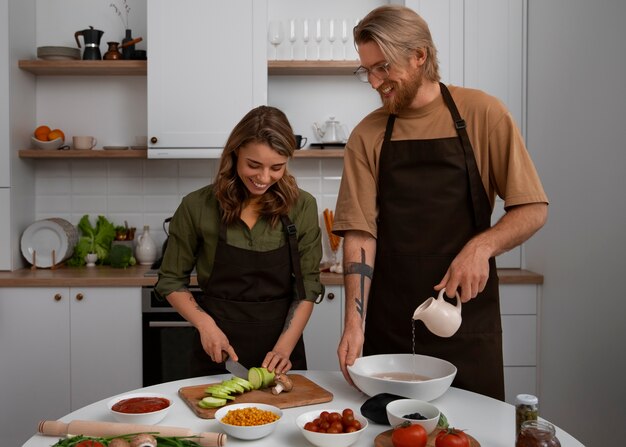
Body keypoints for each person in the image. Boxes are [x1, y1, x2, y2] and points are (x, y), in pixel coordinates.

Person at [333, 5, 548, 400]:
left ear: (420, 56)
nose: (375, 82)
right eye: (367, 70)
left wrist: (481, 247)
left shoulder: (484, 113)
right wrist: (353, 323)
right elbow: (361, 233)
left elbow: (533, 208)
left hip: (467, 323)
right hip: (392, 325)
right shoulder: (368, 134)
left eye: (383, 67)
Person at [155, 105, 324, 376]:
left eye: (277, 167)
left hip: (281, 353)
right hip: (216, 350)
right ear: (234, 155)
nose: (264, 178)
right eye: (253, 165)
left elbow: (308, 287)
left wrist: (283, 349)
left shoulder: (302, 206)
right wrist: (206, 327)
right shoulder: (197, 205)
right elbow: (171, 280)